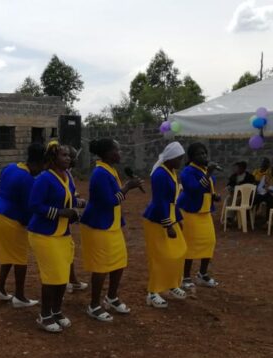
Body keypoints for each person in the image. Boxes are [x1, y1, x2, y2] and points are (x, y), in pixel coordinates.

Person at [79, 138, 142, 322]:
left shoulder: (110, 170)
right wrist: (127, 187)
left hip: (111, 225)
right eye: (117, 150)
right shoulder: (100, 174)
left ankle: (112, 297)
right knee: (101, 267)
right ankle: (94, 305)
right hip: (98, 226)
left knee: (119, 261)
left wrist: (125, 189)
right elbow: (109, 201)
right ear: (106, 153)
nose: (119, 153)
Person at [0, 142, 45, 308]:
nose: (42, 171)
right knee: (20, 257)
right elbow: (28, 210)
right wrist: (33, 226)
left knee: (9, 253)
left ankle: (0, 288)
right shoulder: (28, 180)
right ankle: (19, 296)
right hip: (8, 218)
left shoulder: (11, 167)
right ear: (37, 163)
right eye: (42, 167)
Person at [28, 142, 79, 333]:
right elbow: (34, 205)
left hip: (62, 234)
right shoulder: (44, 179)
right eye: (64, 155)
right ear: (53, 158)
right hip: (43, 234)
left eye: (69, 155)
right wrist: (60, 213)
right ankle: (44, 314)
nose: (68, 158)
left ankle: (56, 310)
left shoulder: (67, 177)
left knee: (62, 275)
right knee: (52, 276)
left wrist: (78, 206)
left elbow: (71, 199)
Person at [142, 142, 188, 308]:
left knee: (179, 251)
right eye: (179, 158)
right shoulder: (160, 174)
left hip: (168, 216)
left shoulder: (171, 172)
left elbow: (172, 200)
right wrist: (168, 225)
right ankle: (153, 292)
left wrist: (178, 218)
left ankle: (172, 284)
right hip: (157, 219)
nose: (181, 161)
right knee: (159, 257)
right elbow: (160, 201)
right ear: (171, 158)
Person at [179, 142, 220, 289]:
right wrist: (209, 173)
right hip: (190, 213)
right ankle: (186, 277)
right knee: (190, 245)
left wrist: (214, 196)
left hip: (205, 213)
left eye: (204, 153)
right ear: (191, 157)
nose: (203, 156)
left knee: (209, 242)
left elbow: (207, 187)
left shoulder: (203, 169)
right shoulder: (187, 172)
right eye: (199, 154)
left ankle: (202, 274)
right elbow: (193, 189)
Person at [66, 145, 88, 293]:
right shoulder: (55, 174)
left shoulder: (67, 173)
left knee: (69, 249)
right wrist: (78, 202)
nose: (73, 160)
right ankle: (64, 281)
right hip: (55, 221)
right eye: (71, 157)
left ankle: (71, 279)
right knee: (64, 250)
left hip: (64, 219)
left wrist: (77, 199)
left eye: (73, 157)